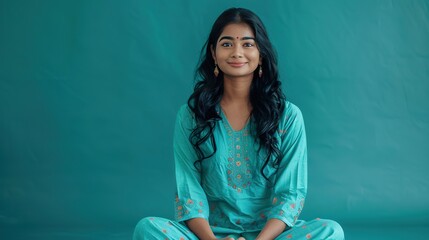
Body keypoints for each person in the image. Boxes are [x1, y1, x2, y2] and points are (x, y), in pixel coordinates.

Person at [133, 7, 344, 240]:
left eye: (247, 44)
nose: (236, 52)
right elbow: (188, 192)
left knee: (331, 231)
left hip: (270, 236)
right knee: (147, 228)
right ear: (213, 53)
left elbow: (290, 194)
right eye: (226, 44)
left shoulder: (288, 116)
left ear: (261, 53)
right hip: (210, 235)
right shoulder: (192, 116)